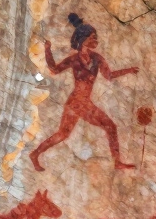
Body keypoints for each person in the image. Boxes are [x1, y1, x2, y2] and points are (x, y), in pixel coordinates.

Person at [29, 13, 137, 172]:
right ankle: (35, 154)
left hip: (83, 103)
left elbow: (109, 75)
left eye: (95, 37)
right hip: (76, 102)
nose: (96, 40)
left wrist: (129, 70)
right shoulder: (74, 59)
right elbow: (54, 69)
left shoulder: (97, 58)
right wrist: (47, 50)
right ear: (83, 40)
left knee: (64, 134)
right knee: (103, 127)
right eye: (92, 37)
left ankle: (35, 154)